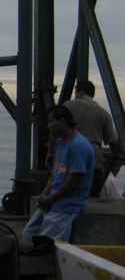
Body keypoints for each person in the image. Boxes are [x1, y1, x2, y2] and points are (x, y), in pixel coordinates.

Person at [22, 105, 95, 245]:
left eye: (51, 122)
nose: (48, 126)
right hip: (53, 200)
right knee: (28, 234)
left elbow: (75, 179)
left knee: (46, 244)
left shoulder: (78, 145)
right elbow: (56, 173)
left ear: (62, 121)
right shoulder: (61, 143)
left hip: (66, 205)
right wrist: (44, 195)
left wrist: (50, 199)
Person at [64, 80, 119, 196]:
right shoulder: (104, 113)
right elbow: (113, 143)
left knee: (67, 193)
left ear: (80, 92)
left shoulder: (67, 106)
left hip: (70, 158)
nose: (75, 96)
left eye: (75, 92)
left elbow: (56, 131)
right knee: (92, 196)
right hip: (94, 160)